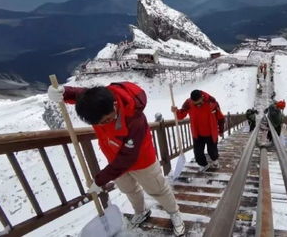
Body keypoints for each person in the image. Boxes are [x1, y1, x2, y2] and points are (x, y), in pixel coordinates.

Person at [47, 82, 185, 236]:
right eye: (98, 123)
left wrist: (100, 180)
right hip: (114, 161)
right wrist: (64, 92)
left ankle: (174, 213)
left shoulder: (134, 118)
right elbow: (81, 94)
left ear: (114, 105)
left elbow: (127, 158)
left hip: (141, 160)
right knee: (129, 190)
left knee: (158, 189)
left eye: (106, 120)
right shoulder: (98, 100)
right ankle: (141, 211)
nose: (103, 125)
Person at [171, 89, 225, 172]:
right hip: (197, 133)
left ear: (202, 97)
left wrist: (221, 130)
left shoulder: (212, 102)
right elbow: (181, 115)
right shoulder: (188, 103)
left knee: (212, 151)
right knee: (198, 153)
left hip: (211, 132)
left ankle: (215, 161)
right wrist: (176, 111)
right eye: (195, 104)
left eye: (199, 103)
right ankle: (204, 164)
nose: (198, 105)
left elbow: (220, 117)